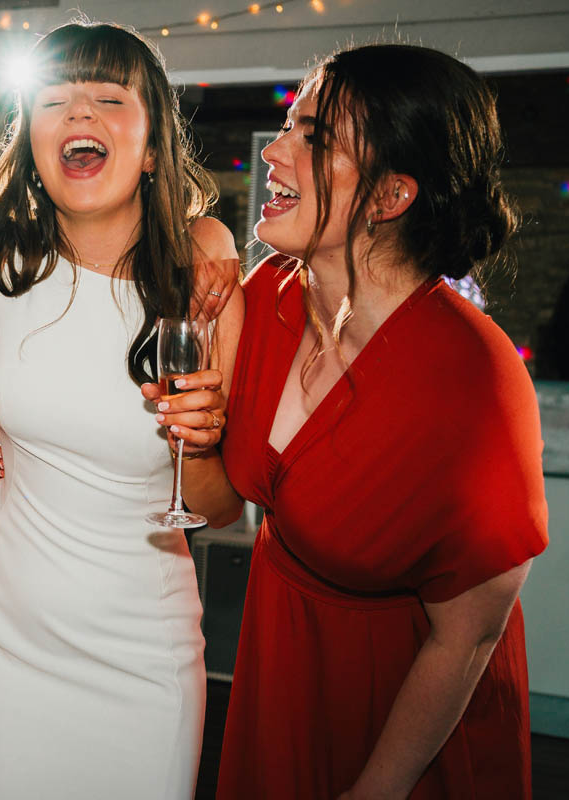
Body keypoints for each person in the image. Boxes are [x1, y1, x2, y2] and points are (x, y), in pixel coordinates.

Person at [167, 44, 548, 799]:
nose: (275, 151)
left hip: (404, 709)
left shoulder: (473, 374)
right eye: (287, 125)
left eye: (314, 138)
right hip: (280, 662)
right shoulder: (268, 296)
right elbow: (214, 496)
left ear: (390, 196)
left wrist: (378, 786)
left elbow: (469, 634)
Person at [0, 22, 241, 798]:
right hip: (1, 624)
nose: (80, 114)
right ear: (33, 143)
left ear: (151, 148)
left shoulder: (204, 285)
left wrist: (201, 446)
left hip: (141, 646)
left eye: (109, 98)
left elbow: (220, 511)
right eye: (55, 100)